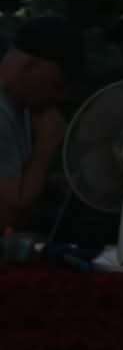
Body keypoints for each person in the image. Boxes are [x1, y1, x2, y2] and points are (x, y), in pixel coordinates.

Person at [0, 17, 72, 232]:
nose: (57, 97)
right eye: (56, 85)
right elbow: (6, 218)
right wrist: (45, 149)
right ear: (29, 66)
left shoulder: (19, 106)